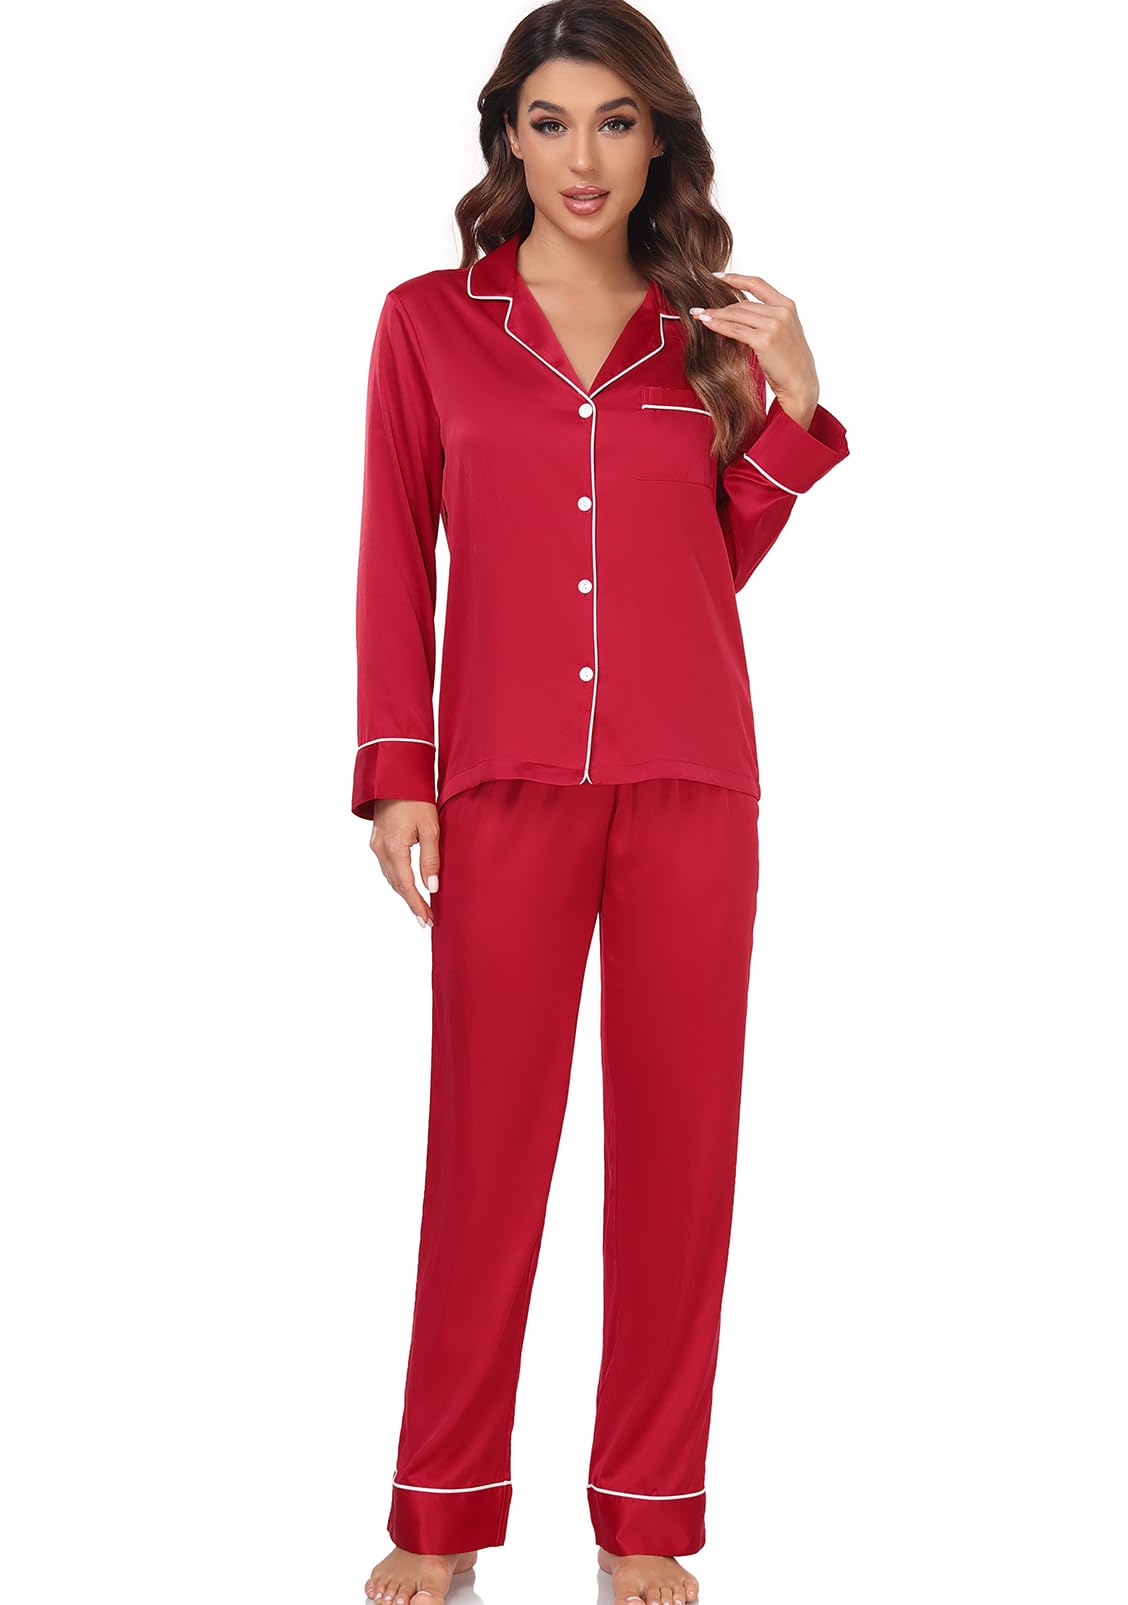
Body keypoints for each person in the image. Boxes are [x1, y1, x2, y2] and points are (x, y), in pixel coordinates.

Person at [352, 5, 849, 1602]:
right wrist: (398, 771)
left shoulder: (704, 332)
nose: (584, 158)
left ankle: (646, 1510)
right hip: (501, 783)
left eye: (617, 123)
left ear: (658, 140)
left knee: (679, 1152)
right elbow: (393, 552)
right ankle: (441, 1506)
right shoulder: (430, 324)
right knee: (482, 1151)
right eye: (554, 121)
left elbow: (705, 565)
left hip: (692, 777)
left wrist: (791, 412)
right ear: (509, 133)